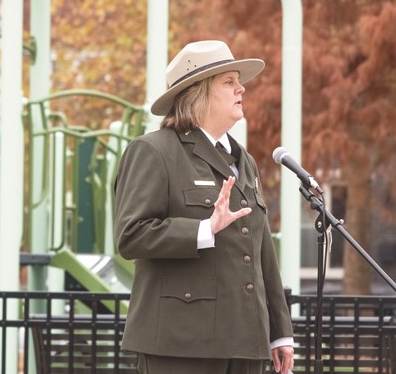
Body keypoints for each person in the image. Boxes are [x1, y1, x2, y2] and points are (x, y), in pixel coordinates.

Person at [114, 40, 294, 374]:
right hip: (180, 343)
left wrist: (279, 331)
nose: (241, 88)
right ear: (198, 93)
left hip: (244, 341)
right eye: (228, 82)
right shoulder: (153, 151)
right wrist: (203, 229)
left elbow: (260, 250)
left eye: (238, 80)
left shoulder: (245, 161)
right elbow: (130, 235)